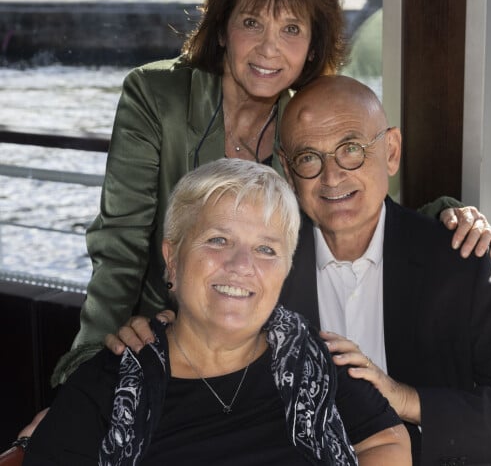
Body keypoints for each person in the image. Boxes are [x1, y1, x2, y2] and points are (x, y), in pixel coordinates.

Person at [51, 0, 491, 387]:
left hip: (263, 350)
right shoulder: (155, 96)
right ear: (222, 29)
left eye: (291, 29)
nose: (269, 48)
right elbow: (120, 248)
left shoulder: (308, 125)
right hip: (161, 338)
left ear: (311, 47)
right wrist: (87, 367)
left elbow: (363, 218)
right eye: (252, 23)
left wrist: (447, 218)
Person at [115, 76, 491, 464]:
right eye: (310, 157)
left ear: (390, 152)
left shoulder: (451, 261)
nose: (332, 177)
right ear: (289, 173)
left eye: (351, 149)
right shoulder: (261, 268)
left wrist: (404, 398)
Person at [23, 159, 411, 465]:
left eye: (266, 249)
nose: (242, 264)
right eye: (218, 240)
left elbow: (387, 439)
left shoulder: (314, 359)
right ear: (172, 260)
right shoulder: (107, 384)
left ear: (286, 271)